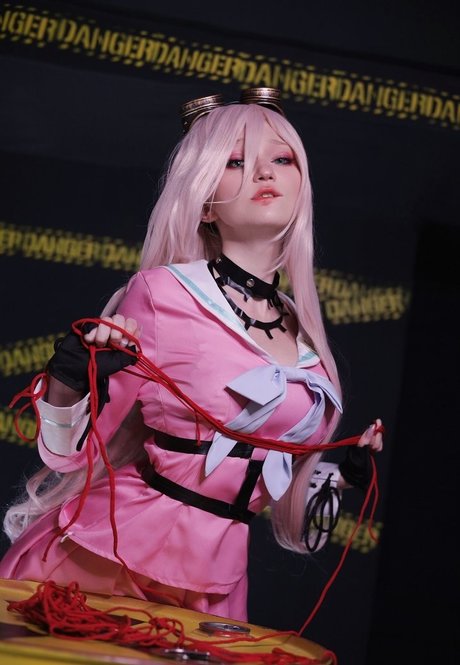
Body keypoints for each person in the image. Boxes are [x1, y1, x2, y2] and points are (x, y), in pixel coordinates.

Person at [0, 88, 383, 622]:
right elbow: (72, 456)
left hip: (216, 582)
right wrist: (71, 379)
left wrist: (341, 478)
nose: (264, 173)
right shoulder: (164, 294)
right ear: (204, 202)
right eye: (235, 162)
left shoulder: (305, 333)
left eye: (281, 159)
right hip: (110, 559)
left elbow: (276, 497)